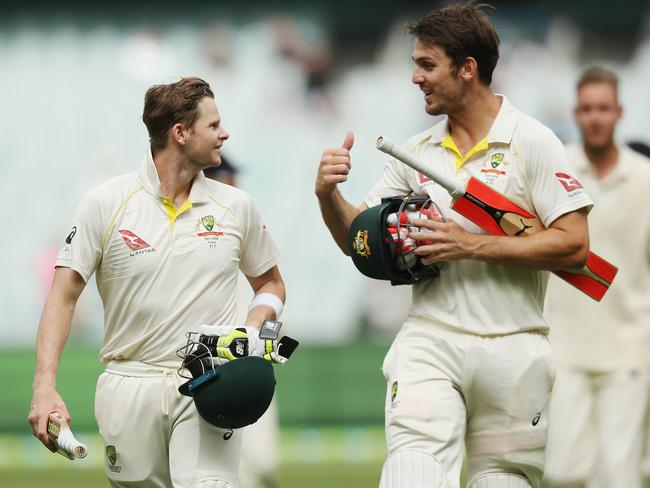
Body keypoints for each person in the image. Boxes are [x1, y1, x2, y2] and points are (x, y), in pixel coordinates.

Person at [315, 4, 593, 488]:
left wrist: (470, 246)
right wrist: (327, 195)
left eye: (426, 65)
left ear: (468, 69)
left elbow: (574, 248)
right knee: (412, 473)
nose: (414, 78)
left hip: (515, 347)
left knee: (502, 480)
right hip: (431, 339)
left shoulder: (533, 141)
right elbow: (357, 242)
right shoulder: (414, 152)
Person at [28, 77, 285, 488]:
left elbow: (270, 283)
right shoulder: (105, 202)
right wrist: (45, 387)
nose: (225, 133)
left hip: (207, 377)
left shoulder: (236, 206)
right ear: (180, 133)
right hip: (128, 385)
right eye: (213, 125)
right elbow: (63, 296)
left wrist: (258, 325)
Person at [542, 67, 650, 488]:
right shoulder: (557, 169)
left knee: (618, 477)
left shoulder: (645, 177)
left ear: (619, 112)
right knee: (564, 471)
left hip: (630, 346)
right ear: (575, 113)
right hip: (565, 344)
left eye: (603, 108)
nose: (595, 117)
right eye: (587, 109)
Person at [204, 156, 281, 488]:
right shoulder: (200, 236)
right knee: (234, 466)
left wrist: (267, 344)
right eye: (227, 177)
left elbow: (273, 291)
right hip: (213, 362)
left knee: (264, 462)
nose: (234, 184)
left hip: (251, 357)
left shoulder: (248, 227)